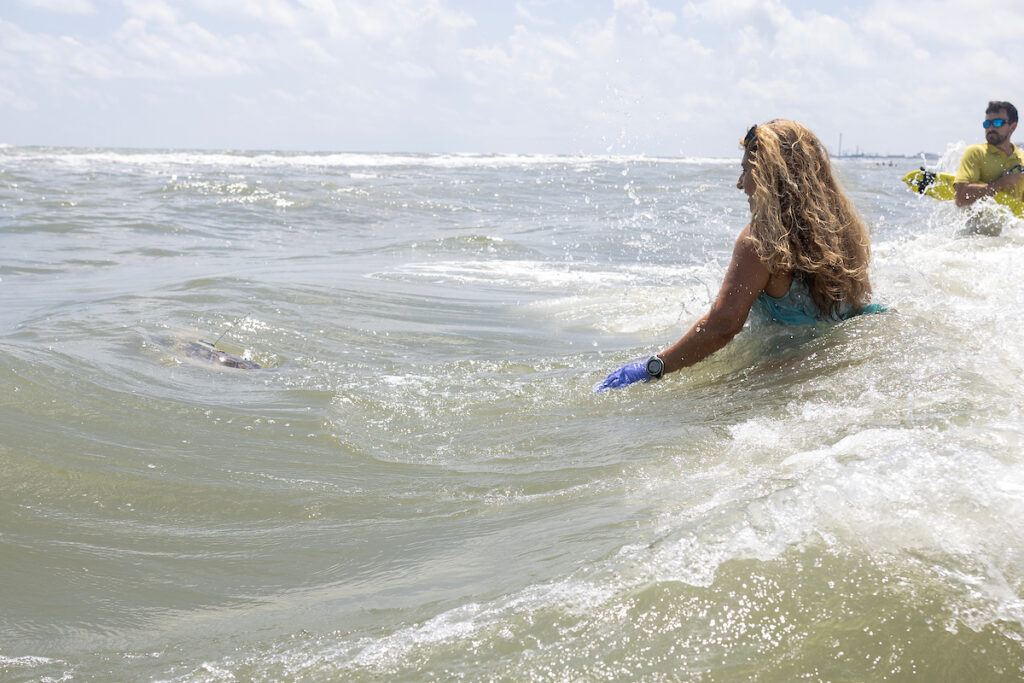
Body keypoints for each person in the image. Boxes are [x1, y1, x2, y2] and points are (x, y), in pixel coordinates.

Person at [596, 119, 884, 392]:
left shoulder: (760, 241)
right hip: (841, 361)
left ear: (769, 176)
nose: (740, 183)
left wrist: (654, 367)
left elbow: (723, 326)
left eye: (747, 170)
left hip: (790, 370)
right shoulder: (842, 228)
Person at [954, 101, 1024, 208]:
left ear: (1013, 127)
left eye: (997, 123)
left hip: (1013, 224)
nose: (990, 129)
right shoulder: (975, 153)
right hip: (978, 224)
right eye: (987, 124)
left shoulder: (1021, 158)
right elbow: (960, 198)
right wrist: (1001, 183)